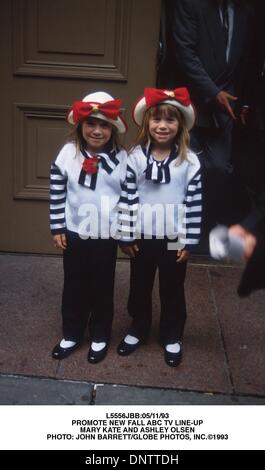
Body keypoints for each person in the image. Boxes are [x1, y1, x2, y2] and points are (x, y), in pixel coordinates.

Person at [117, 87, 202, 367]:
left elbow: (194, 203)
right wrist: (126, 235)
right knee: (140, 284)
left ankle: (172, 333)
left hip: (175, 236)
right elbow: (128, 199)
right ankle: (139, 326)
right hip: (142, 236)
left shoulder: (189, 162)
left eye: (170, 120)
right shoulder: (135, 158)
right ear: (147, 123)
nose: (163, 126)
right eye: (157, 120)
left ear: (180, 125)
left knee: (173, 286)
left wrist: (189, 241)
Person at [50, 91, 127, 364]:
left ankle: (99, 334)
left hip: (106, 235)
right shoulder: (67, 154)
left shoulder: (122, 160)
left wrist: (126, 234)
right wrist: (57, 226)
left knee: (102, 287)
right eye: (91, 124)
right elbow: (58, 191)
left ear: (113, 129)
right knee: (74, 284)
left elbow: (128, 199)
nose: (97, 130)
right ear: (80, 126)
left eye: (104, 125)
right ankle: (72, 332)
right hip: (74, 231)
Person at [171, 0, 253, 232]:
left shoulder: (245, 11)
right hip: (192, 101)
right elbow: (184, 53)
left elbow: (247, 59)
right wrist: (213, 92)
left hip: (228, 105)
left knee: (218, 168)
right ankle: (179, 226)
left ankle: (203, 226)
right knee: (184, 167)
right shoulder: (191, 5)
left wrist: (244, 101)